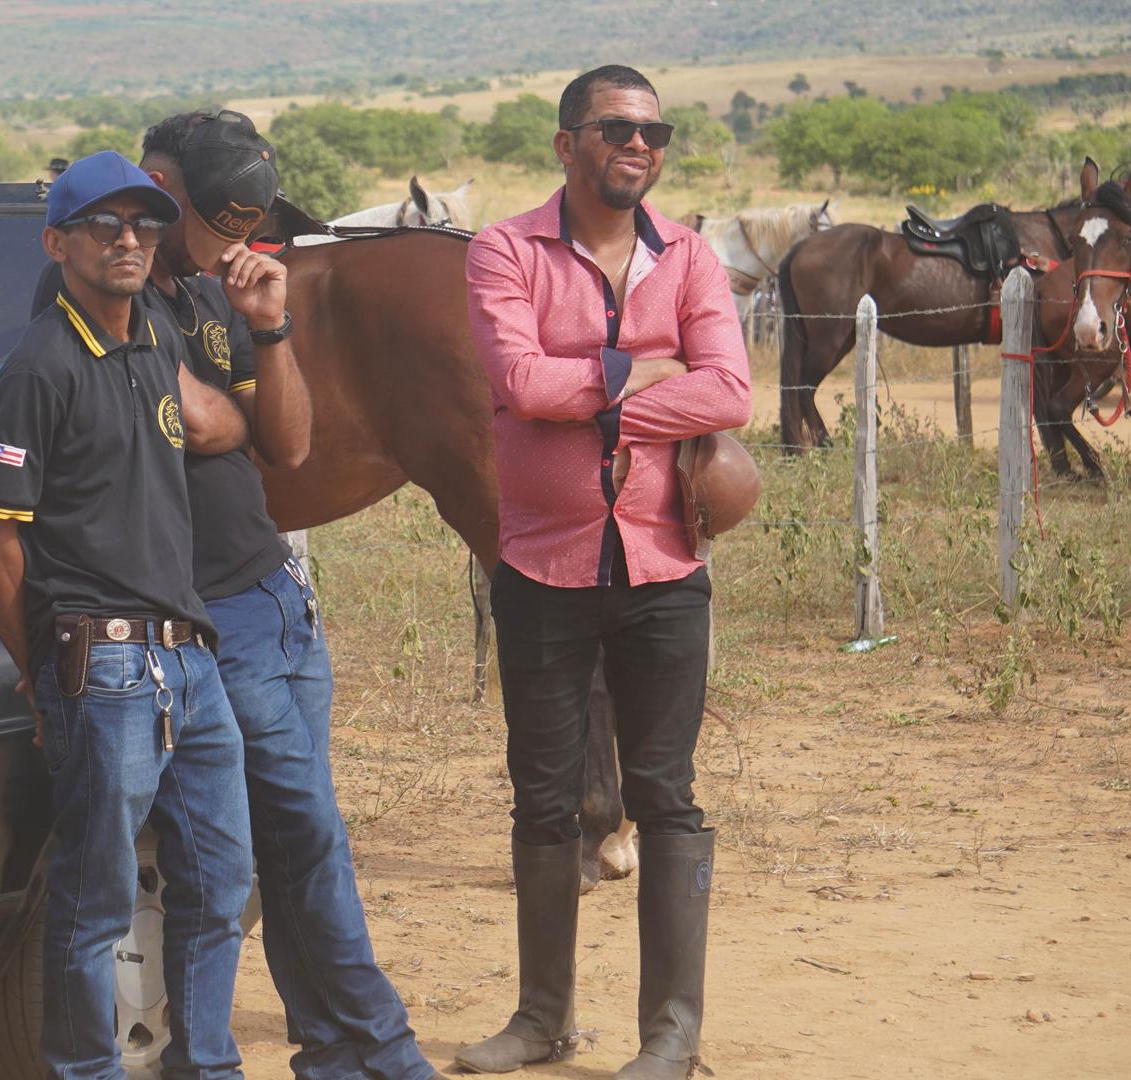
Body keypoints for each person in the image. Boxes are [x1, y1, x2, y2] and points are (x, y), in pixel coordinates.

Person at [27, 111, 445, 1080]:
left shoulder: (217, 295)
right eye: (214, 223)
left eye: (243, 228)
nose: (227, 246)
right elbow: (208, 426)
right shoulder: (106, 291)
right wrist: (235, 403)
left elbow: (287, 443)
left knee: (297, 842)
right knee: (305, 834)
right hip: (208, 611)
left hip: (277, 594)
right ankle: (381, 1050)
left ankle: (334, 1051)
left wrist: (271, 326)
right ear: (159, 182)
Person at [455, 66, 751, 1079]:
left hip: (665, 566)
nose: (639, 146)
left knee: (665, 795)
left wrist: (593, 400)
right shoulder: (505, 250)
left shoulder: (692, 257)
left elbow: (731, 393)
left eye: (653, 133)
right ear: (566, 143)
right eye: (617, 129)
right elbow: (518, 380)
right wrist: (644, 372)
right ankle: (541, 1021)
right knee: (542, 800)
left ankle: (671, 1037)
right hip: (542, 567)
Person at [0, 150, 253, 1079]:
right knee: (94, 901)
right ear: (58, 244)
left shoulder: (154, 338)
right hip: (106, 663)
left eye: (144, 224)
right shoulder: (40, 367)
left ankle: (206, 1066)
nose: (129, 240)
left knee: (221, 882)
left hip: (189, 658)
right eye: (103, 225)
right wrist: (43, 670)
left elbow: (221, 425)